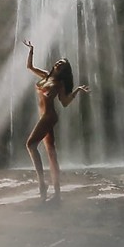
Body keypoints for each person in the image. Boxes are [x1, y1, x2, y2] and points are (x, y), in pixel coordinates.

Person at [22, 40, 89, 203]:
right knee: (51, 154)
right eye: (59, 61)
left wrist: (77, 91)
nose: (59, 63)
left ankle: (42, 184)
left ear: (64, 71)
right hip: (43, 116)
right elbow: (29, 67)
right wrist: (32, 50)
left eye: (63, 64)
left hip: (49, 116)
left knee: (30, 145)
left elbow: (64, 103)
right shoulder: (45, 76)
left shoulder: (59, 84)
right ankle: (57, 193)